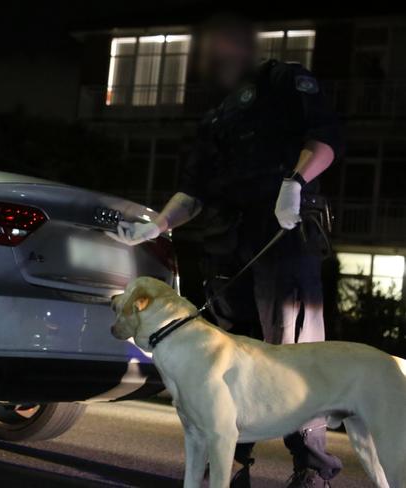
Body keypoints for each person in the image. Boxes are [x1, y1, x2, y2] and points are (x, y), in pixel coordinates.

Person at [108, 14, 342, 488]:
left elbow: (326, 139)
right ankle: (229, 464)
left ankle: (312, 469)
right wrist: (158, 224)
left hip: (283, 233)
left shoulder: (283, 82)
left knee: (293, 352)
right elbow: (193, 190)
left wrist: (295, 184)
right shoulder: (216, 116)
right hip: (229, 246)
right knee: (227, 357)